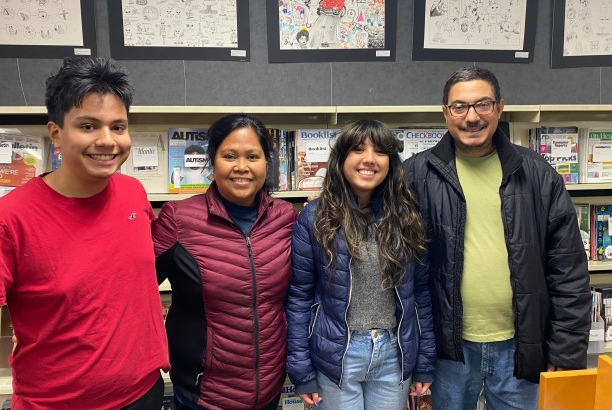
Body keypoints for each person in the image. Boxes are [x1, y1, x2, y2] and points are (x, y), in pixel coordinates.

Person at [403, 66, 591, 410]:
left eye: (483, 105)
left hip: (521, 348)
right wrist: (326, 204)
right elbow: (373, 222)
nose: (471, 116)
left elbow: (568, 270)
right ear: (445, 113)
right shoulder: (415, 174)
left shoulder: (538, 175)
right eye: (460, 106)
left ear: (500, 108)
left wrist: (564, 349)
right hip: (447, 350)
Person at [0, 57, 169, 410]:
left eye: (118, 127)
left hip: (145, 392)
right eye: (88, 126)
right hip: (58, 403)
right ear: (55, 133)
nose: (107, 141)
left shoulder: (134, 191)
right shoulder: (6, 220)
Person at [286, 119, 435, 410]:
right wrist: (301, 370)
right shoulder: (314, 218)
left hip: (395, 354)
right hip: (337, 354)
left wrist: (424, 361)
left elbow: (421, 296)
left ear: (391, 162)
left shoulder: (408, 218)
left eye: (380, 151)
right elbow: (300, 298)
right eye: (357, 150)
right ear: (341, 159)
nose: (369, 159)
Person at [152, 113, 297, 410]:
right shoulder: (178, 220)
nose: (241, 167)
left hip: (269, 387)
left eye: (252, 156)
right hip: (203, 393)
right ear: (213, 160)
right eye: (229, 155)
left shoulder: (285, 217)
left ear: (266, 163)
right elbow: (133, 289)